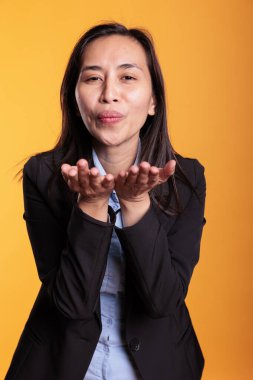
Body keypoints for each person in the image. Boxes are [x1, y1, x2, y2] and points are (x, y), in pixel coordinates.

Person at [5, 22, 207, 380]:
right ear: (74, 97)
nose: (109, 94)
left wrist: (137, 204)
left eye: (128, 78)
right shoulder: (44, 174)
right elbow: (71, 304)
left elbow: (162, 301)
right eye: (93, 78)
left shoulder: (187, 179)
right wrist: (91, 206)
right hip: (61, 361)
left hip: (158, 363)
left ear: (153, 100)